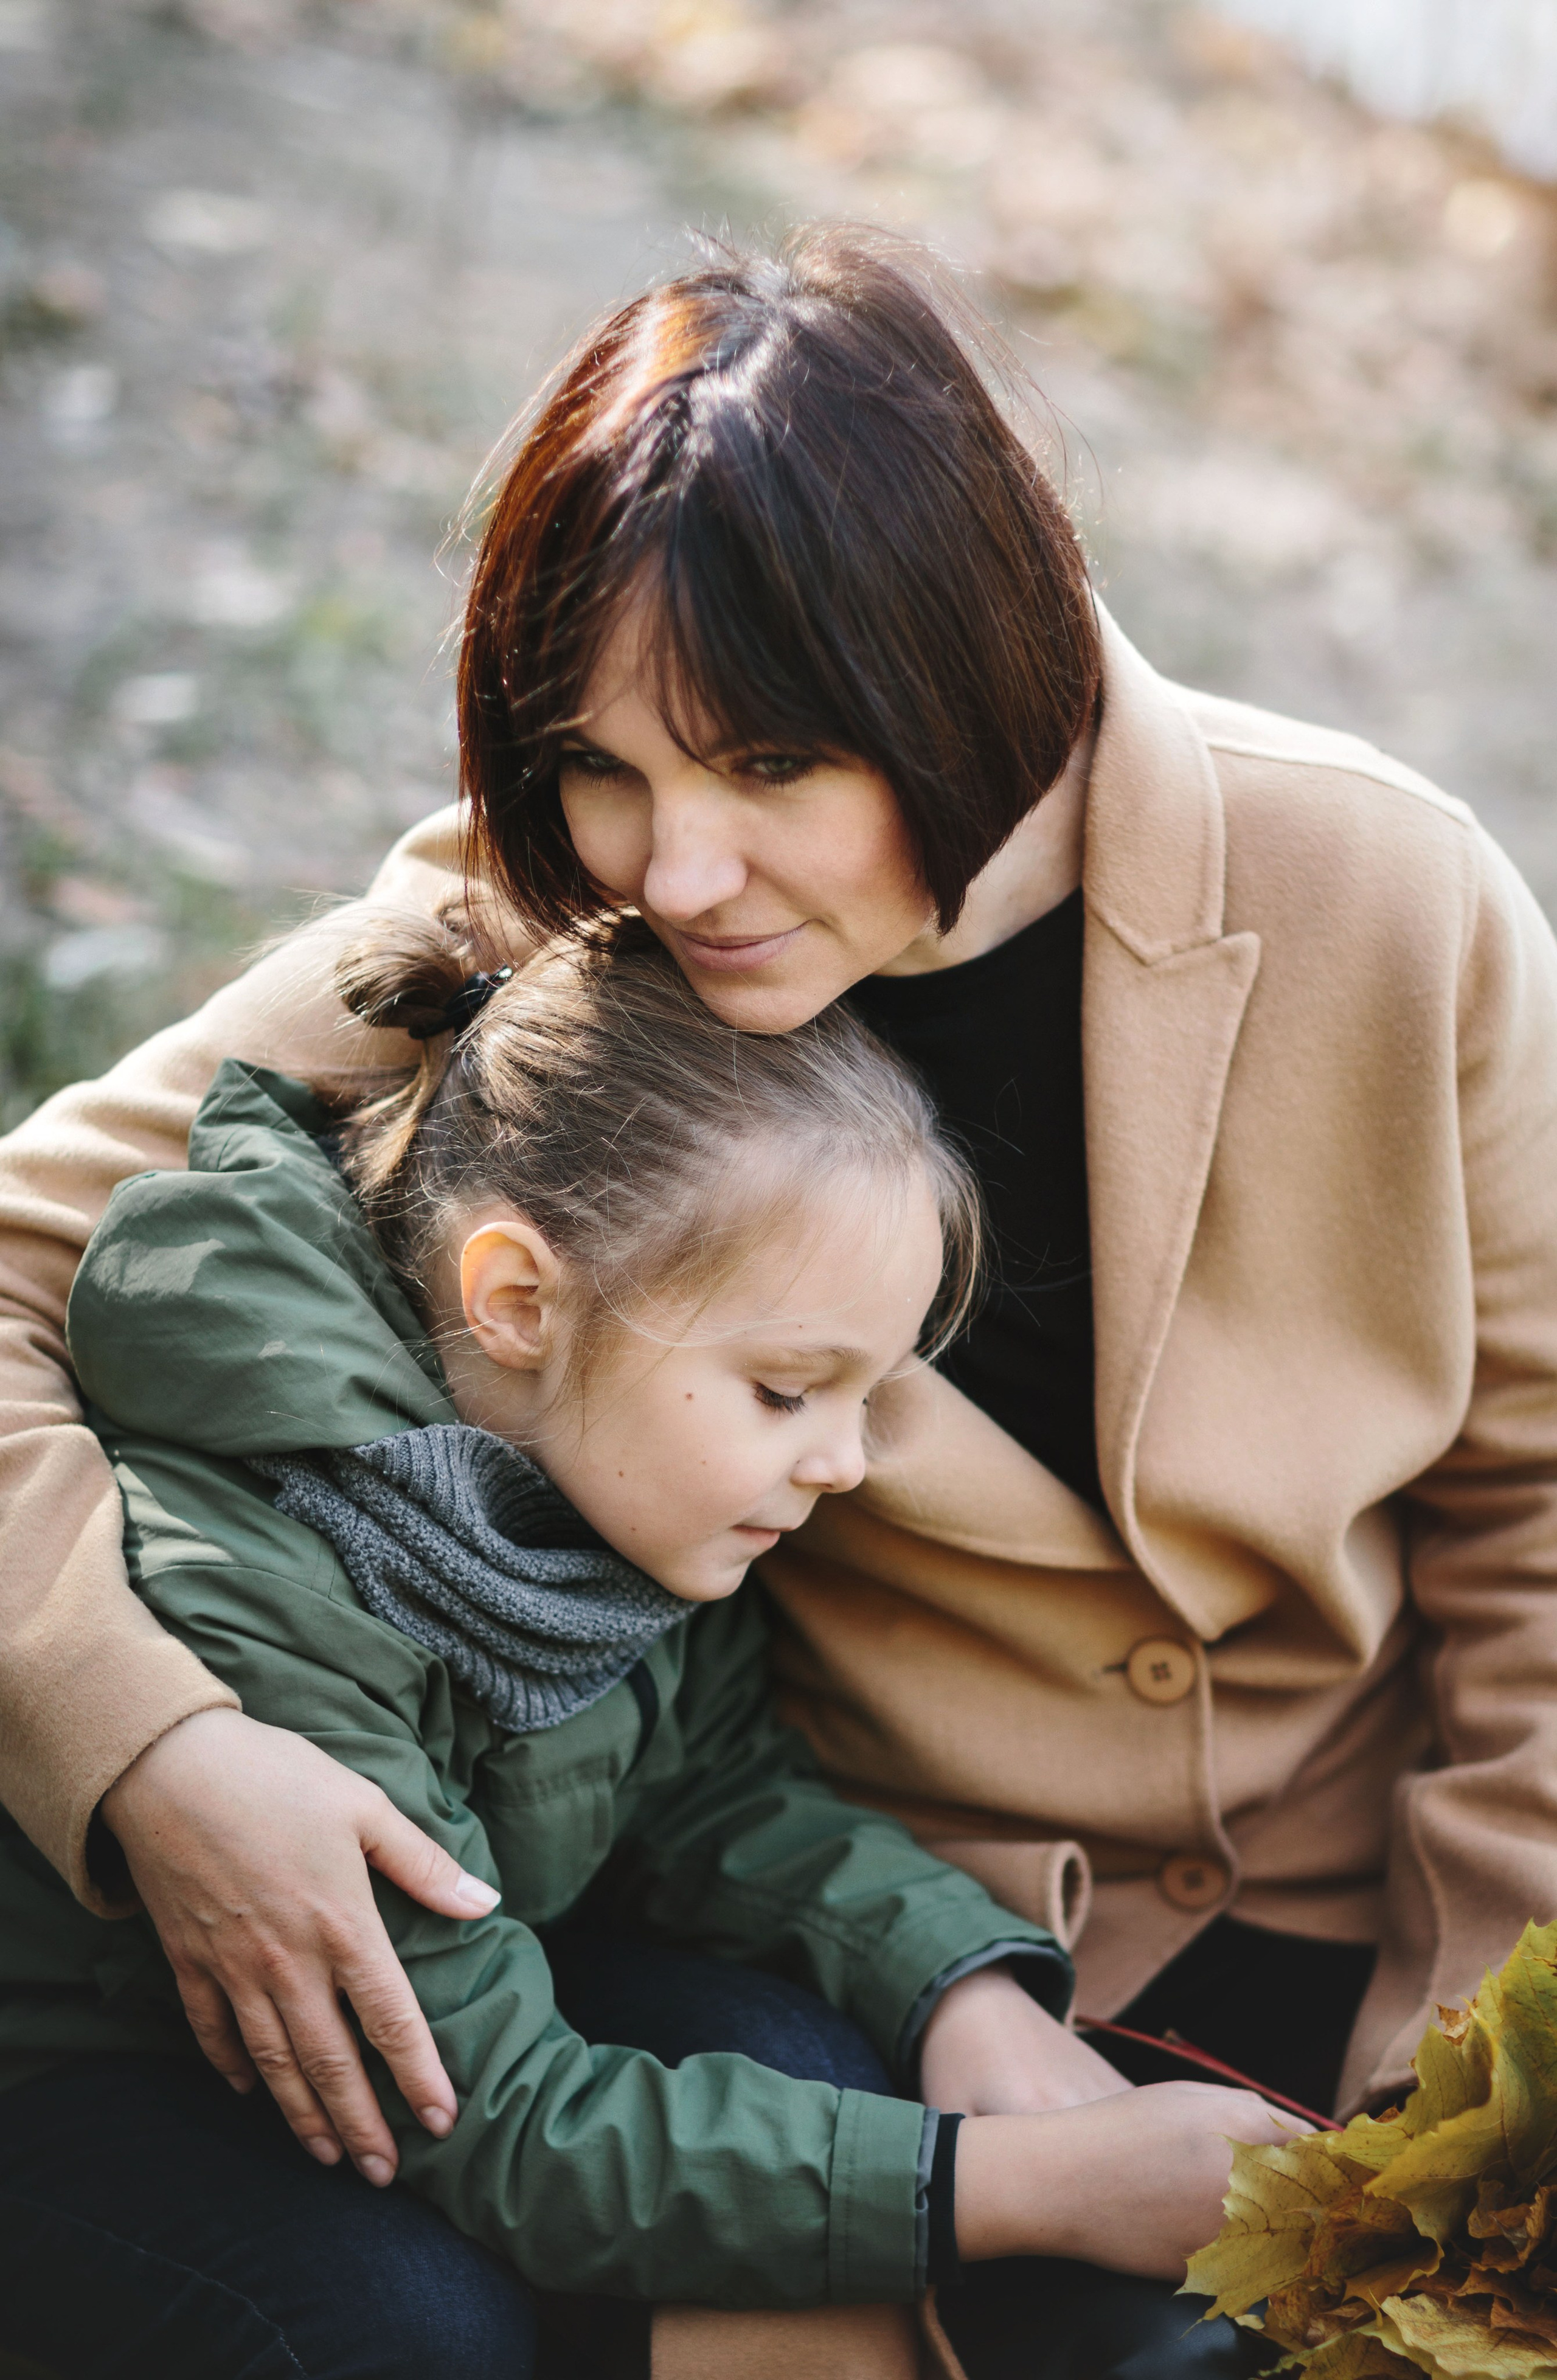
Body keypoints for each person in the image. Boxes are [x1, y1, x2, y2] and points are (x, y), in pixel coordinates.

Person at [2, 221, 1555, 2371]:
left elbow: (1540, 1516)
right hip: (865, 1939)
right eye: (604, 761)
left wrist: (1463, 2102)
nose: (676, 870)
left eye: (765, 764)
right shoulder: (530, 929)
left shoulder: (1388, 895)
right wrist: (151, 1742)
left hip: (1385, 1928)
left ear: (963, 671)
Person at [0, 917, 1292, 2379]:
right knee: (397, 2328)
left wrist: (955, 1988)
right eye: (789, 1389)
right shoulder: (268, 1572)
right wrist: (1039, 2190)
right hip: (75, 2066)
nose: (845, 1464)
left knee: (793, 2053)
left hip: (402, 2026)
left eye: (865, 1397)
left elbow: (711, 1789)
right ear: (519, 1302)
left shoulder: (600, 1475)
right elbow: (492, 2121)